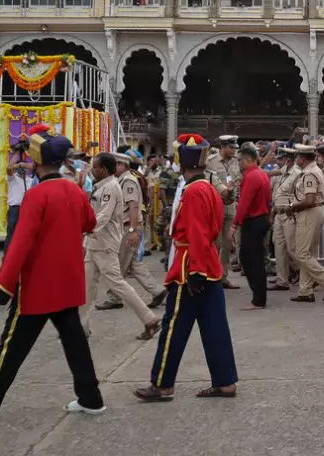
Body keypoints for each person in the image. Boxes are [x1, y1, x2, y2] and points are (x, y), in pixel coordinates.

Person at [0, 132, 104, 426]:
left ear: (37, 159)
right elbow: (90, 223)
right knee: (75, 344)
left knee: (11, 348)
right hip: (68, 284)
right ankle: (91, 398)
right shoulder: (74, 190)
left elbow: (20, 244)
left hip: (39, 287)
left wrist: (1, 288)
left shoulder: (37, 194)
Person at [135, 134, 238, 402]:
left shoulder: (193, 191)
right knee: (215, 326)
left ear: (183, 161)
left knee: (173, 327)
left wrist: (194, 271)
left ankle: (162, 384)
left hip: (190, 266)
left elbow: (196, 234)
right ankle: (225, 382)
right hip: (208, 265)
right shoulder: (209, 188)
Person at [79, 153, 160, 340]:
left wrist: (82, 229)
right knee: (87, 285)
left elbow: (103, 216)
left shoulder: (110, 188)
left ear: (104, 170)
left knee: (117, 283)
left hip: (105, 244)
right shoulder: (103, 187)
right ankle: (81, 326)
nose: (92, 169)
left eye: (95, 167)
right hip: (95, 243)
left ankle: (149, 318)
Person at [97, 153, 167, 310]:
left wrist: (133, 230)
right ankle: (157, 291)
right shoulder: (122, 180)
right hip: (128, 227)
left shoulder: (128, 181)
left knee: (118, 265)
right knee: (133, 264)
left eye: (115, 164)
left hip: (129, 227)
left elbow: (134, 206)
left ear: (122, 165)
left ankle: (114, 297)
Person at [281, 145, 324, 303]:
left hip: (309, 212)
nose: (296, 159)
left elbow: (309, 199)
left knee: (302, 253)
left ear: (303, 158)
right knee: (309, 252)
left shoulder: (309, 173)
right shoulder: (316, 170)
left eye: (298, 156)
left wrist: (291, 207)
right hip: (314, 211)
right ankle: (305, 291)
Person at [227, 143, 271, 310]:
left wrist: (234, 225)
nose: (238, 163)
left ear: (247, 160)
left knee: (251, 260)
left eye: (240, 160)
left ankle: (258, 299)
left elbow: (244, 204)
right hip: (261, 219)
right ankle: (259, 295)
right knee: (253, 259)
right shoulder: (261, 174)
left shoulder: (251, 176)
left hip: (253, 221)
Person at [206, 136, 242, 284]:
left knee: (227, 243)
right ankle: (211, 274)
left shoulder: (236, 162)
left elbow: (239, 179)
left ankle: (223, 277)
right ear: (223, 146)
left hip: (231, 205)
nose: (234, 150)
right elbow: (210, 182)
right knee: (215, 242)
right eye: (231, 147)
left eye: (235, 148)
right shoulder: (211, 161)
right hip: (216, 205)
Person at [268, 147, 299, 292]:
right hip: (278, 213)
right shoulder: (282, 172)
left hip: (290, 214)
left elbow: (300, 195)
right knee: (278, 245)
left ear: (289, 159)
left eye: (282, 159)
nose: (279, 161)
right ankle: (282, 280)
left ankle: (308, 275)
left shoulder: (297, 174)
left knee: (292, 248)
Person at [4, 143, 37, 254]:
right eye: (17, 168)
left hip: (27, 209)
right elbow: (9, 167)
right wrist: (17, 152)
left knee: (25, 233)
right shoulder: (12, 178)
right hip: (14, 209)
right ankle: (8, 255)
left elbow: (34, 167)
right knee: (12, 233)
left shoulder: (30, 180)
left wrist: (23, 163)